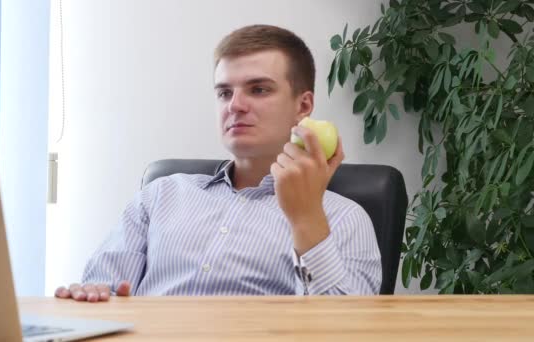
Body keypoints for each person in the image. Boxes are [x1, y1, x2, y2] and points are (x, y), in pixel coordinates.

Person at [55, 24, 381, 302]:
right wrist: (91, 296)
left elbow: (348, 328)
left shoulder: (343, 218)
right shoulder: (160, 196)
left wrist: (306, 219)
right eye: (224, 93)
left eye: (258, 89)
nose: (235, 105)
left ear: (303, 105)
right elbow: (103, 292)